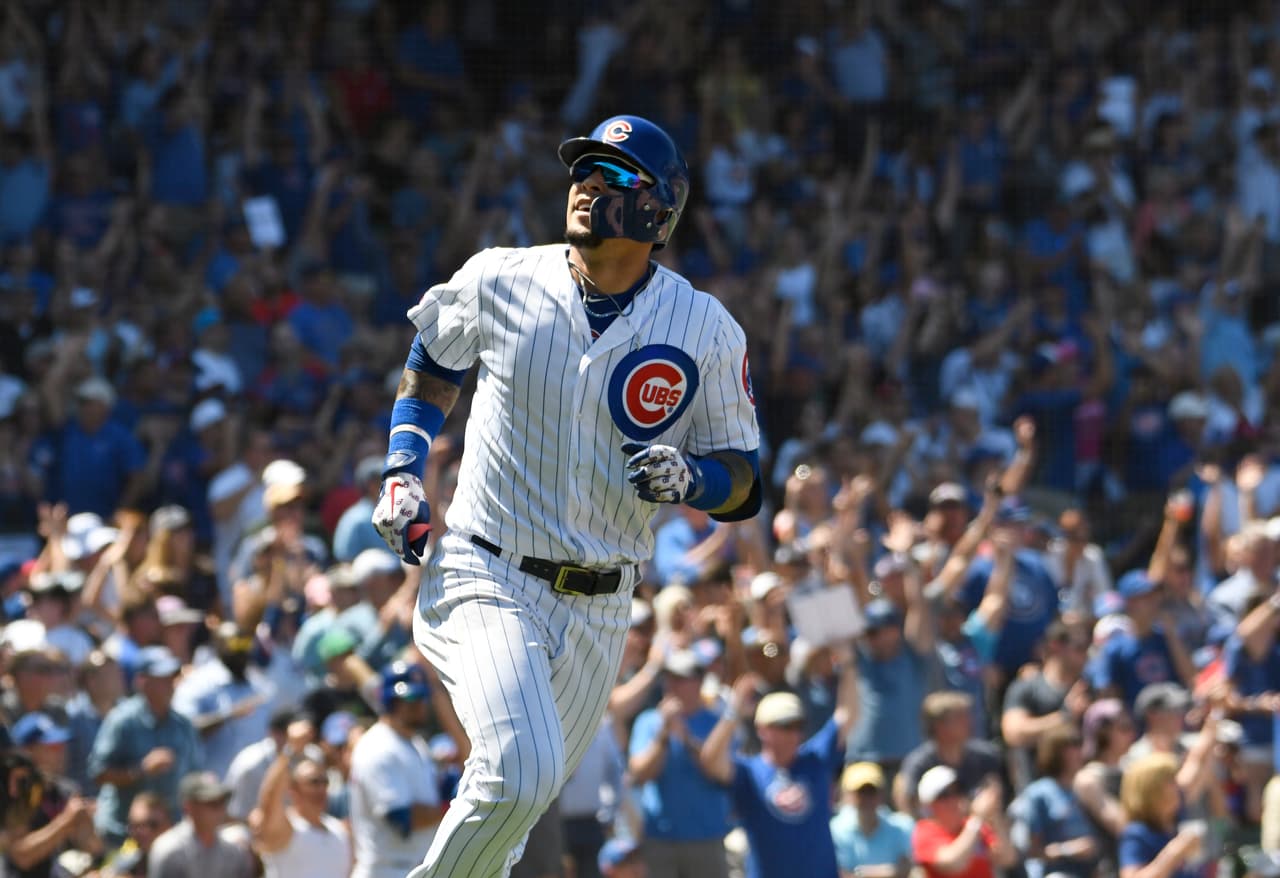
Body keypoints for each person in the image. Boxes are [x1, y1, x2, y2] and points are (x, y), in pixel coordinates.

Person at [372, 113, 761, 877]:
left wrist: (695, 480)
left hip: (603, 605)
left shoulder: (705, 328)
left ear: (658, 212)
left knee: (515, 815)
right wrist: (402, 468)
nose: (585, 186)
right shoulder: (501, 276)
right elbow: (432, 363)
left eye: (612, 176)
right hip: (488, 569)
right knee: (517, 772)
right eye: (582, 170)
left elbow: (744, 480)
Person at [700, 651, 860, 878]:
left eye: (798, 725)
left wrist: (848, 661)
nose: (794, 733)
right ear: (762, 730)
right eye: (785, 725)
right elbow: (710, 761)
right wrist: (733, 712)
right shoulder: (749, 771)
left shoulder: (814, 758)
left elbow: (847, 715)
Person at [627, 649, 732, 878]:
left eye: (681, 678)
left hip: (706, 838)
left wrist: (688, 740)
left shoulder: (716, 723)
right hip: (660, 840)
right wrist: (663, 735)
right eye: (670, 677)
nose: (673, 685)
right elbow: (639, 774)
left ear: (700, 681)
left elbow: (721, 774)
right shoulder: (648, 722)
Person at [87, 646, 200, 845]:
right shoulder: (122, 720)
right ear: (142, 681)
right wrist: (140, 770)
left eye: (171, 678)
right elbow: (98, 772)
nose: (169, 685)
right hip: (123, 833)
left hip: (170, 833)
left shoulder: (183, 724)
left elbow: (195, 773)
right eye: (161, 679)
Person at [348, 661, 442, 878]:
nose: (419, 704)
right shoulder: (377, 746)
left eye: (421, 697)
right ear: (390, 702)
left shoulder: (416, 743)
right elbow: (402, 819)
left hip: (411, 867)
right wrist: (451, 806)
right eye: (410, 698)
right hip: (386, 869)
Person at [249, 715, 352, 878]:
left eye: (324, 781)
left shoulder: (340, 830)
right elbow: (269, 799)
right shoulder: (288, 828)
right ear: (293, 790)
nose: (321, 788)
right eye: (313, 782)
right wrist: (290, 750)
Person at [911, 766, 1017, 878]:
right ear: (929, 805)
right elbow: (952, 865)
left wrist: (994, 816)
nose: (954, 799)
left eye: (957, 791)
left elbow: (1007, 859)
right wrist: (978, 818)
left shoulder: (971, 825)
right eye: (944, 795)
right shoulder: (924, 830)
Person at [147, 771, 254, 878]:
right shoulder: (169, 851)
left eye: (222, 801)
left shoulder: (234, 851)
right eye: (212, 803)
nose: (220, 809)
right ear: (189, 807)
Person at [1116, 753, 1205, 878]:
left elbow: (1200, 761)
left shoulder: (1177, 821)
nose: (1177, 786)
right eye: (1170, 782)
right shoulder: (1137, 834)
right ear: (1151, 790)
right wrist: (1174, 852)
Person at [828, 761, 914, 878]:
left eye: (871, 791)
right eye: (861, 792)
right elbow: (838, 873)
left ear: (881, 794)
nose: (866, 799)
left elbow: (908, 868)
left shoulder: (902, 826)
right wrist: (888, 872)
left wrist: (866, 874)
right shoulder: (834, 830)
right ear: (848, 795)